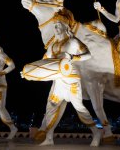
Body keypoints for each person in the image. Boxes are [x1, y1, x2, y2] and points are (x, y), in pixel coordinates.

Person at [36, 10, 102, 147]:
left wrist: (73, 57)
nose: (56, 28)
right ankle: (49, 137)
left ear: (66, 26)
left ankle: (96, 132)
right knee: (50, 108)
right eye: (55, 25)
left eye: (58, 25)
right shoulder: (53, 46)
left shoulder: (73, 41)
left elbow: (88, 55)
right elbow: (44, 60)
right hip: (58, 82)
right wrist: (32, 71)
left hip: (71, 81)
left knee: (79, 108)